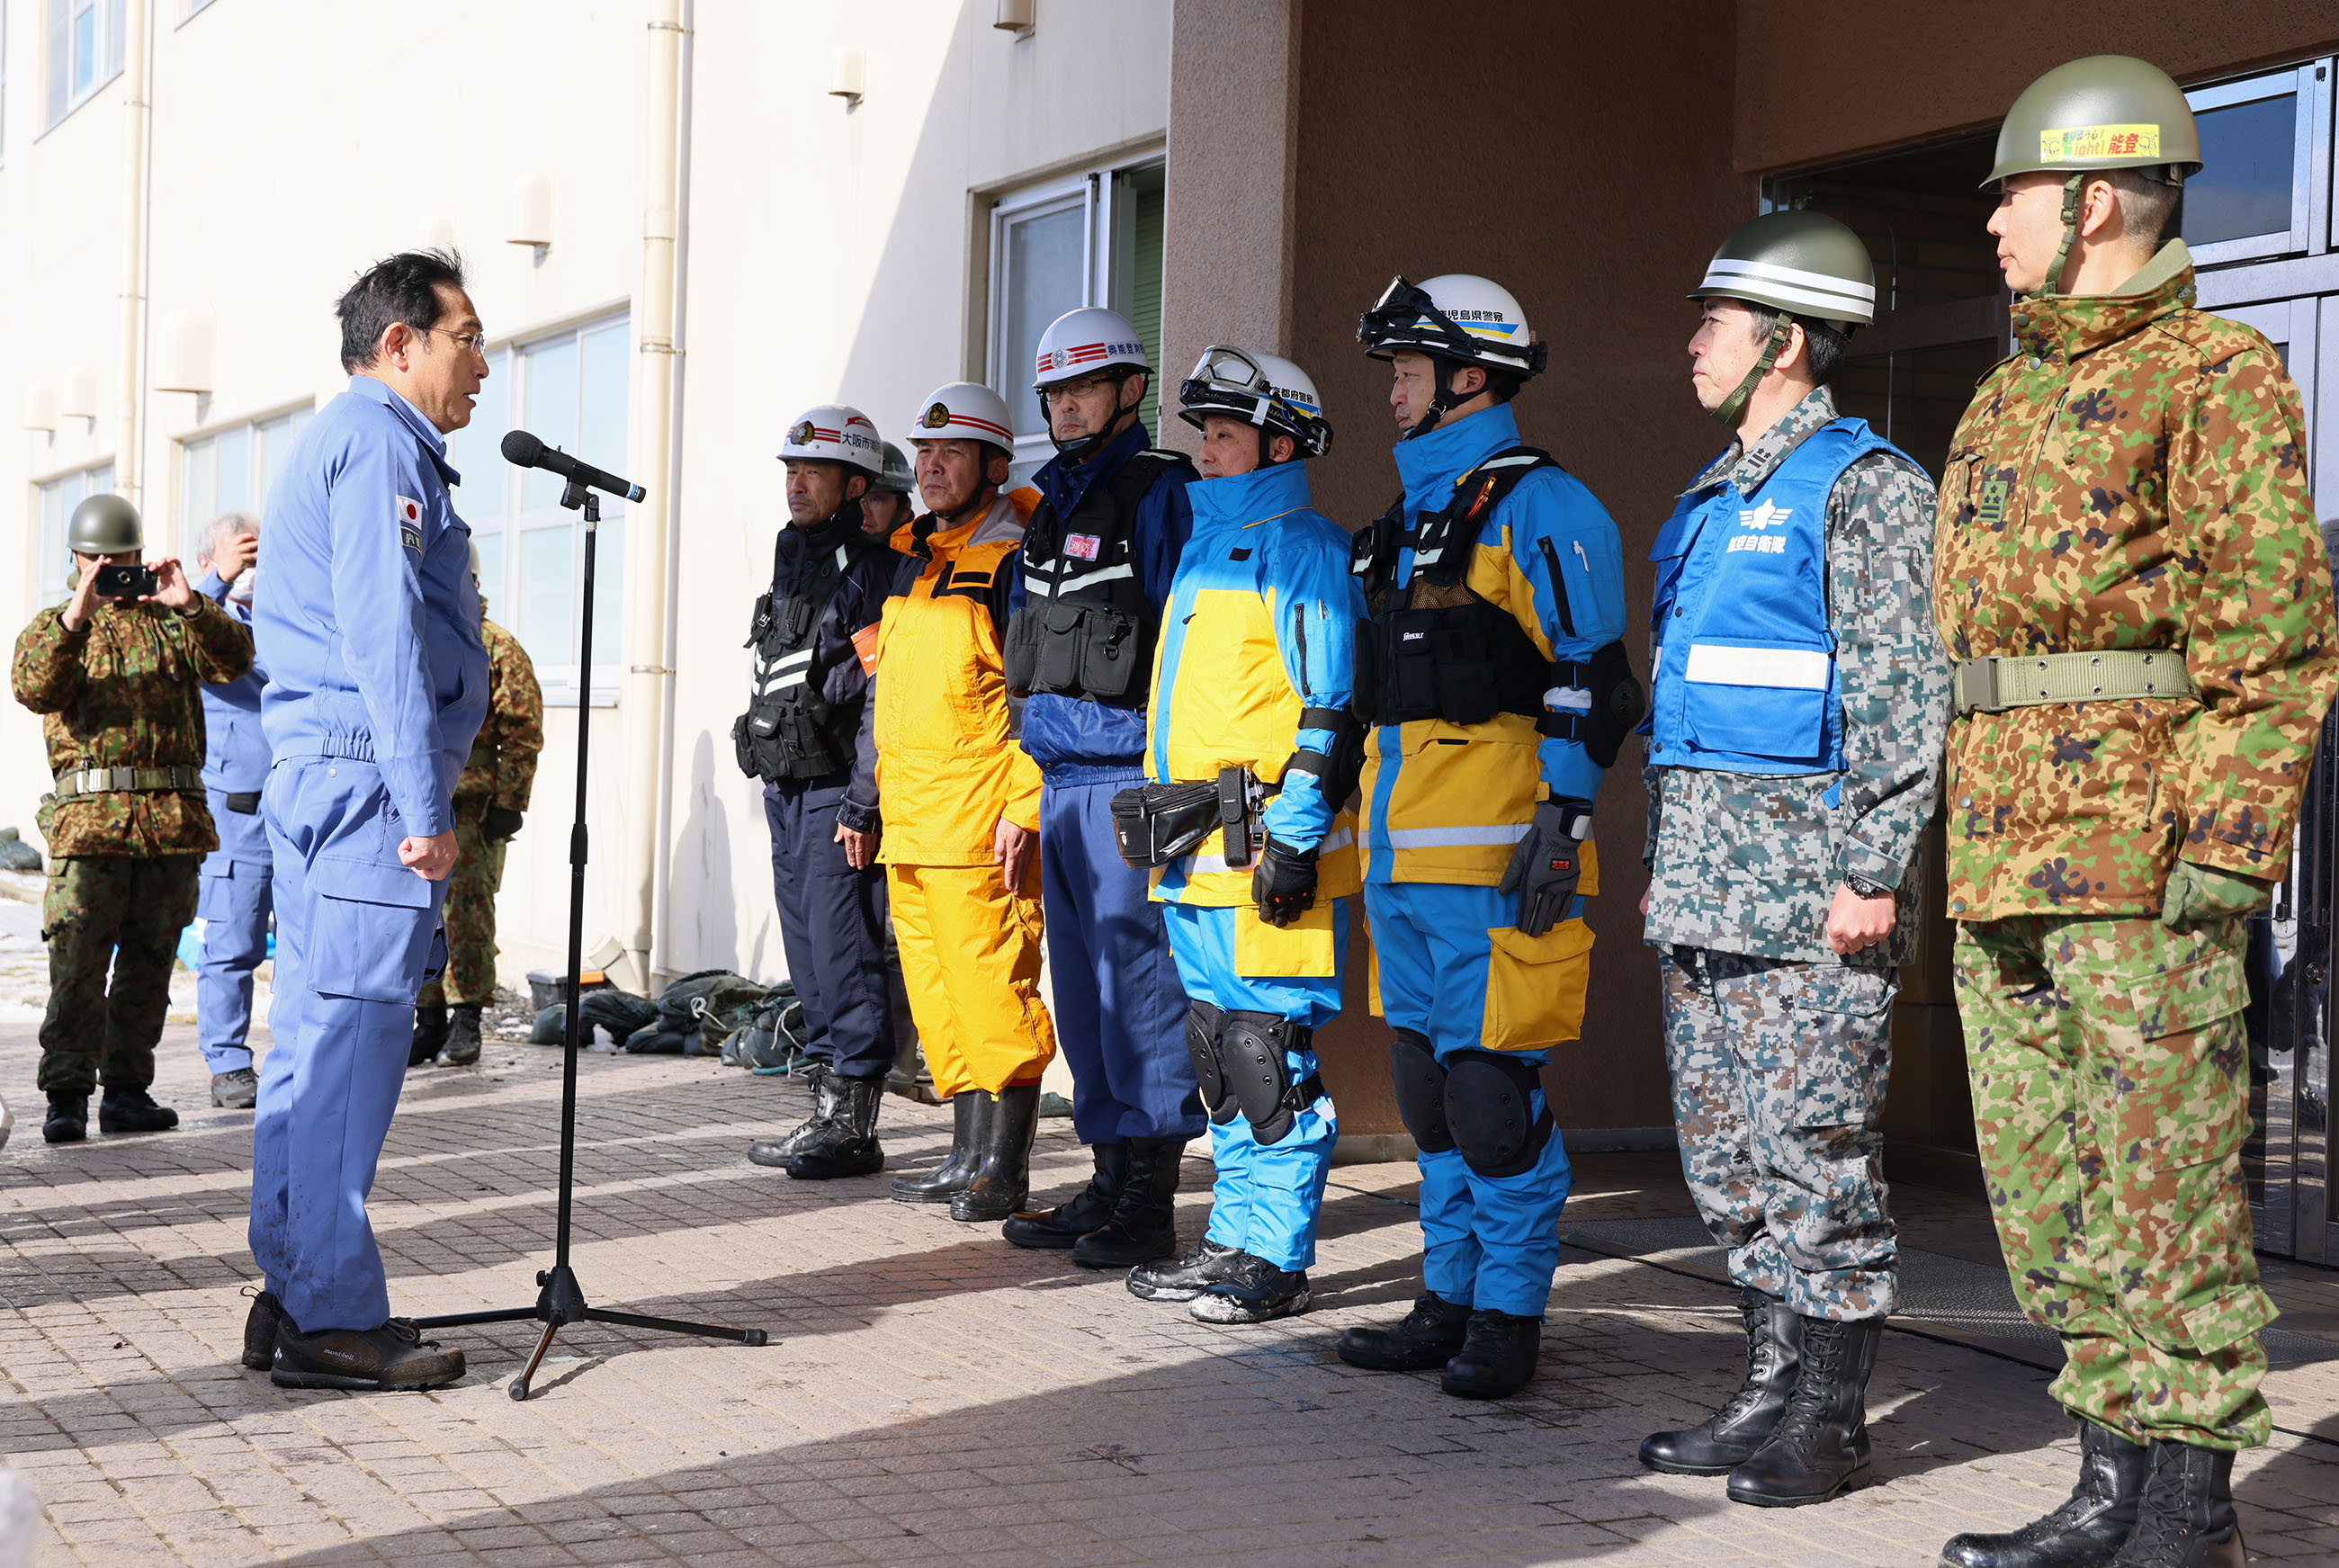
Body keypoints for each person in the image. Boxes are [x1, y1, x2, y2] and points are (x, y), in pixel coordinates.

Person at [1930, 57, 2338, 1568]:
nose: (1992, 227)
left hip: (2136, 863)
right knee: (2047, 1199)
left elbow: (2274, 639)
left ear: (2092, 198)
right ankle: (2105, 1488)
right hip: (2000, 860)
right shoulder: (2002, 394)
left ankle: (2185, 1515)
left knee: (2164, 1197)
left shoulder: (2215, 377)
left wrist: (2228, 855)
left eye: (2012, 198)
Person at [1633, 212, 1948, 1507]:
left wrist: (1874, 865)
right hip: (1703, 891)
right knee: (1729, 1163)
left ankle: (1830, 1415)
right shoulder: (1710, 497)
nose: (1692, 341)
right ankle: (1765, 1385)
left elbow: (1905, 689)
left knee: (1820, 1160)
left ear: (1787, 341)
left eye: (1715, 320)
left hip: (1812, 898)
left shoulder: (1869, 488)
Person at [1333, 274, 1636, 1399]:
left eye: (1407, 370)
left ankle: (1508, 1315)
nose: (1394, 391)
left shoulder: (1539, 506)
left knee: (1489, 1098)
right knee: (1426, 1094)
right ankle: (1445, 1298)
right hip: (1402, 863)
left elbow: (1593, 684)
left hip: (1502, 863)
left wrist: (1560, 822)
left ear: (1469, 376)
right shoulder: (1409, 521)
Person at [243, 247, 491, 1392]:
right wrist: (420, 800)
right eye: (466, 337)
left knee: (307, 1056)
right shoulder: (381, 440)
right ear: (401, 343)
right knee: (346, 1057)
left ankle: (294, 1289)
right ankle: (331, 1315)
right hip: (364, 793)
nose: (481, 364)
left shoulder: (359, 439)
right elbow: (381, 630)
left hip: (326, 783)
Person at [1117, 346, 1363, 1325]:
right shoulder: (1200, 548)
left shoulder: (1302, 547)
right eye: (1204, 436)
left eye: (1221, 436)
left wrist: (1296, 841)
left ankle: (1275, 1259)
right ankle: (1229, 1240)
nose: (1205, 454)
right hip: (1188, 852)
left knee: (1268, 1053)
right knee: (1218, 1053)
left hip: (1261, 852)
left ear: (1276, 441)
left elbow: (1327, 709)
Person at [995, 307, 1202, 1269]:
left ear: (1130, 392)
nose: (1066, 406)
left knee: (1140, 993)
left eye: (1084, 387)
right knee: (1081, 996)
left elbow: (1187, 642)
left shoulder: (1163, 494)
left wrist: (1173, 784)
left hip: (1127, 781)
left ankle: (1149, 1200)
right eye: (1054, 391)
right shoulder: (1045, 512)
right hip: (1056, 780)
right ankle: (1107, 1173)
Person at [848, 382, 1055, 1222]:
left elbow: (1040, 696)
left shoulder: (1014, 563)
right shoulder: (914, 562)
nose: (932, 469)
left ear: (995, 466)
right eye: (925, 455)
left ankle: (1005, 1169)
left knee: (995, 998)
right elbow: (884, 700)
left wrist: (1024, 804)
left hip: (979, 828)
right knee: (940, 1000)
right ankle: (966, 1154)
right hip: (914, 825)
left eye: (953, 455)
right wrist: (870, 806)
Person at [13, 494, 254, 1143]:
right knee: (78, 965)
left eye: (122, 563)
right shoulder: (54, 626)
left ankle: (126, 1091)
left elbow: (235, 661)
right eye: (99, 563)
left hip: (169, 827)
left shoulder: (171, 623)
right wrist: (76, 614)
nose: (112, 574)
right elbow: (35, 687)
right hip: (90, 830)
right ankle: (65, 1096)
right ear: (78, 560)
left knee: (150, 966)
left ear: (141, 558)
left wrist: (193, 602)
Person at [739, 407, 905, 1180]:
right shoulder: (793, 558)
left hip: (837, 790)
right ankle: (824, 1112)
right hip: (786, 785)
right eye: (790, 469)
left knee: (844, 955)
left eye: (812, 471)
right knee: (807, 952)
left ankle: (852, 1121)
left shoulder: (870, 571)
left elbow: (880, 696)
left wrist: (863, 801)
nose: (796, 483)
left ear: (854, 484)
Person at [411, 542, 542, 1067]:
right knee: (419, 912)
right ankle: (429, 1018)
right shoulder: (415, 638)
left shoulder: (497, 646)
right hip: (421, 798)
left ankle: (467, 1020)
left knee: (466, 914)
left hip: (474, 805)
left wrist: (511, 802)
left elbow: (524, 730)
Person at [193, 510, 272, 1111]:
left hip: (301, 806)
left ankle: (298, 1054)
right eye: (244, 556)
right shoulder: (200, 621)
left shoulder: (282, 618)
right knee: (233, 943)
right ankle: (227, 1062)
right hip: (239, 814)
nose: (252, 566)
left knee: (304, 945)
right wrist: (218, 579)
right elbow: (180, 624)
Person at [859, 442, 919, 540]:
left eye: (875, 499)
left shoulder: (924, 553)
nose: (864, 512)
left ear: (905, 508)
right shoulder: (838, 551)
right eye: (857, 501)